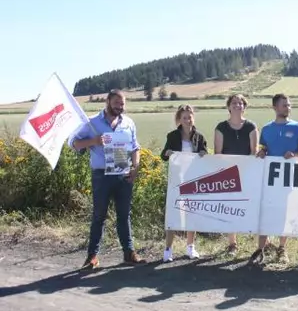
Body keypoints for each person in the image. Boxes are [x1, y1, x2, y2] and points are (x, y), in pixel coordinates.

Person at [68, 89, 146, 269]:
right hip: (101, 175)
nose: (120, 107)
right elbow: (73, 143)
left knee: (124, 215)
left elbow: (135, 148)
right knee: (99, 216)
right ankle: (92, 257)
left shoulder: (128, 123)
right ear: (108, 102)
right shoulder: (92, 123)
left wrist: (135, 167)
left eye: (123, 104)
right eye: (117, 103)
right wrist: (94, 141)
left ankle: (129, 252)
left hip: (123, 174)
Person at [252, 93, 298, 264]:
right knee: (266, 212)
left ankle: (282, 248)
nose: (288, 108)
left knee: (285, 213)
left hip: (290, 178)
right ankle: (261, 249)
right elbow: (263, 149)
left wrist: (295, 154)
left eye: (289, 105)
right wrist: (262, 152)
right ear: (275, 107)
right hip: (270, 179)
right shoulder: (267, 129)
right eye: (284, 105)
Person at [160, 104, 209, 262]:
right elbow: (164, 155)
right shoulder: (172, 136)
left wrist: (203, 153)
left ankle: (190, 247)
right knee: (173, 214)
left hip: (194, 181)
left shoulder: (199, 137)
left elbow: (205, 153)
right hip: (177, 180)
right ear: (179, 120)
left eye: (190, 117)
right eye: (184, 118)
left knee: (191, 214)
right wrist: (167, 153)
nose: (188, 120)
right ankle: (168, 249)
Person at [214, 93, 258, 254]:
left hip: (247, 173)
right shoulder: (221, 128)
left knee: (252, 207)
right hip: (228, 175)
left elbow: (254, 152)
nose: (237, 105)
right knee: (231, 208)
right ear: (228, 106)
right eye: (234, 103)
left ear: (244, 106)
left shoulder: (251, 127)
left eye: (240, 103)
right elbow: (218, 153)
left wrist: (246, 168)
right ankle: (233, 244)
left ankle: (260, 245)